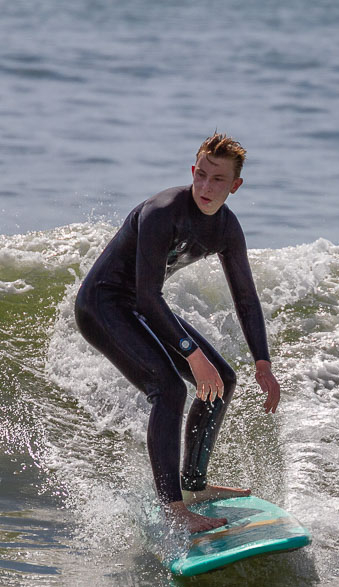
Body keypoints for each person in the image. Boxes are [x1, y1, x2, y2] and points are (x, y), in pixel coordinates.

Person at [74, 133, 280, 533]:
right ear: (192, 171)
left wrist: (263, 363)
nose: (205, 187)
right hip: (102, 305)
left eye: (217, 180)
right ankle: (174, 510)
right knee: (170, 389)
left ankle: (193, 486)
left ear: (235, 186)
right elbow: (149, 296)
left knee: (225, 380)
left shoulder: (226, 228)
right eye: (200, 175)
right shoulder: (162, 212)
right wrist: (192, 354)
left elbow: (246, 298)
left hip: (138, 305)